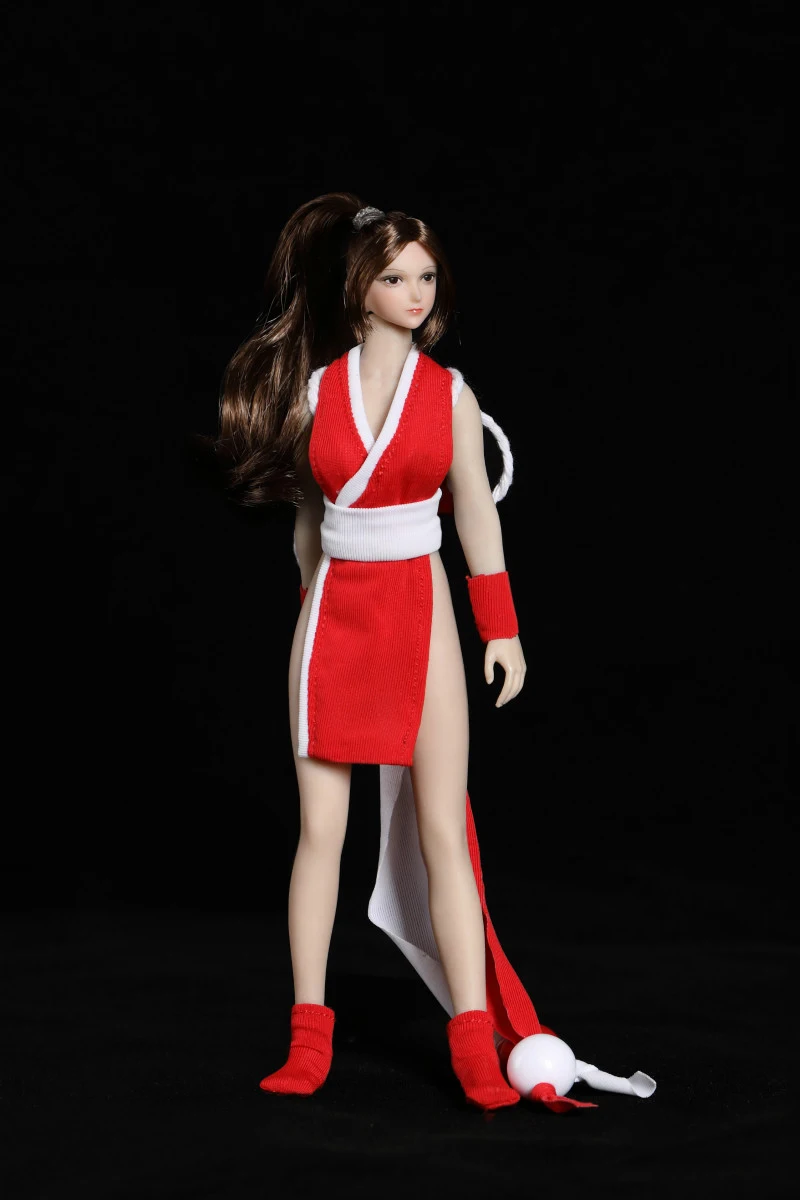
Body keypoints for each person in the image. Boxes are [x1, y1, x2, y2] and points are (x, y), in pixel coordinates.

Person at [209, 193, 651, 1114]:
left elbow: (477, 515)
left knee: (443, 831)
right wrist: (310, 610)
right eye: (396, 277)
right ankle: (308, 1035)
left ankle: (473, 1041)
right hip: (334, 618)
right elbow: (306, 524)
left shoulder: (448, 394)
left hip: (421, 609)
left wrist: (502, 627)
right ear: (358, 290)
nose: (417, 293)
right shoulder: (316, 394)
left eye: (427, 277)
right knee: (320, 836)